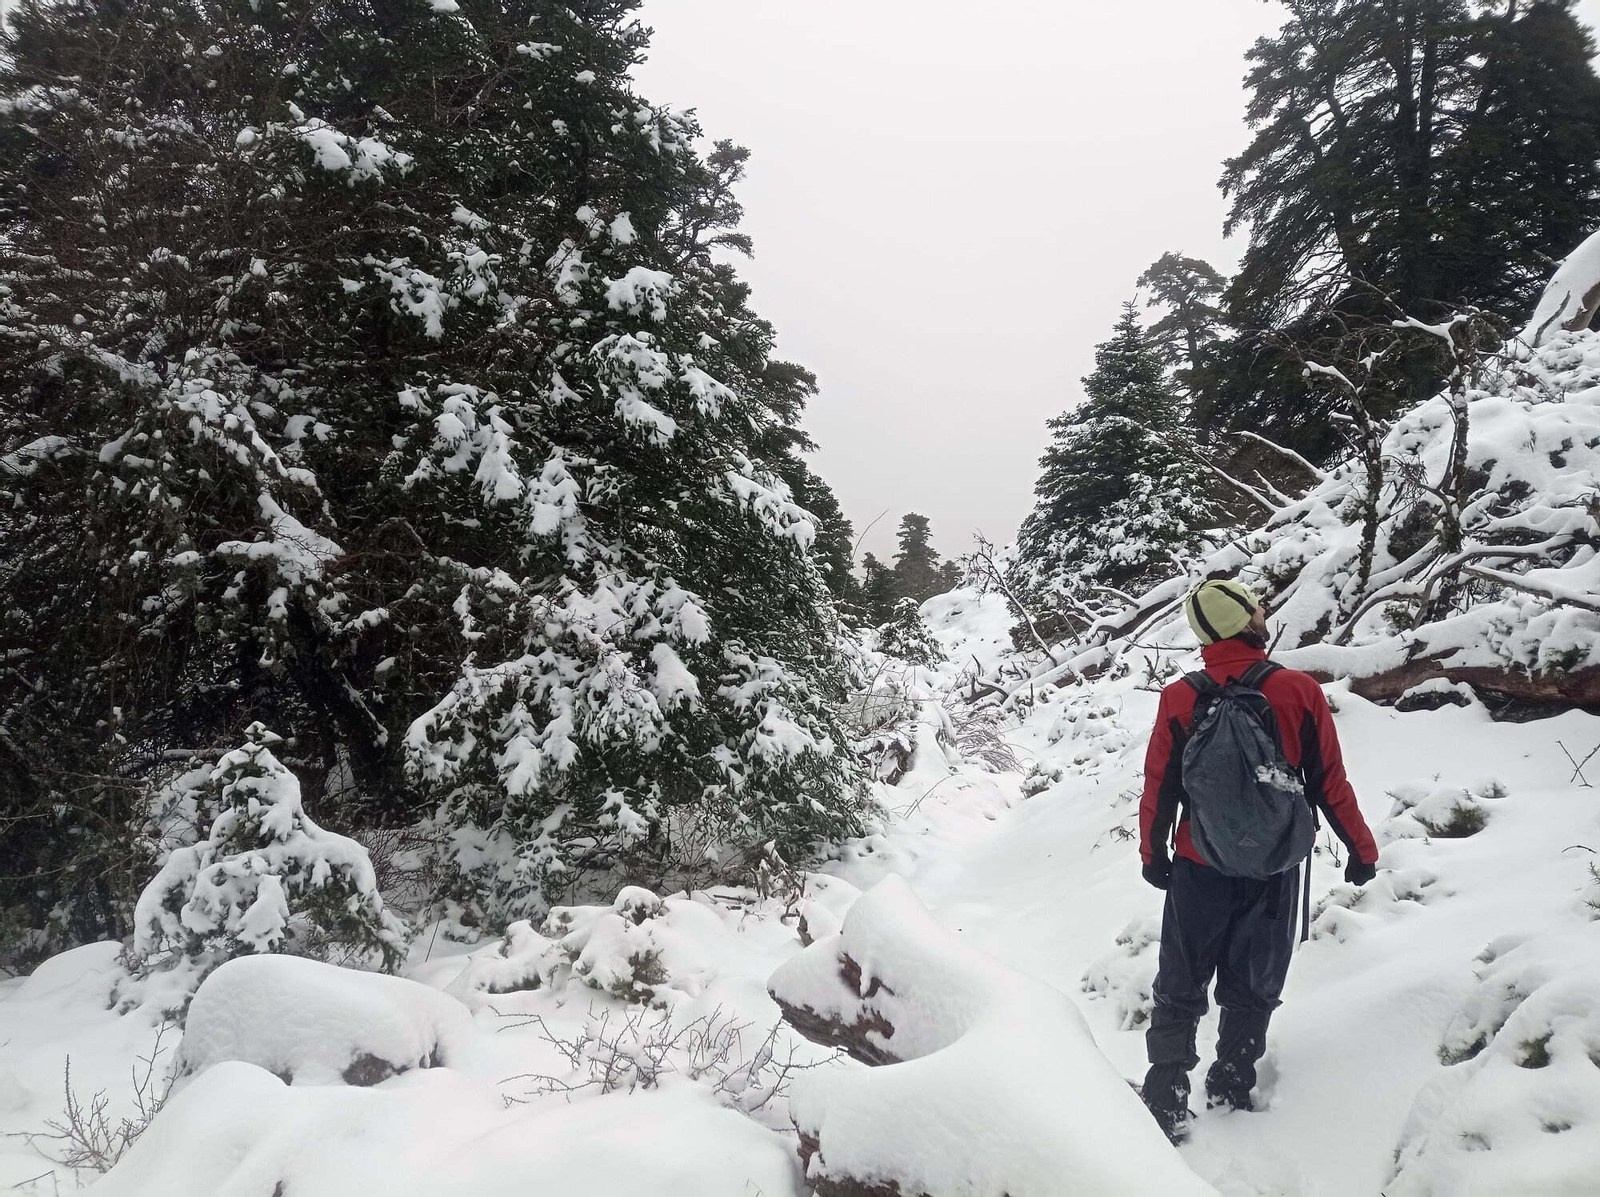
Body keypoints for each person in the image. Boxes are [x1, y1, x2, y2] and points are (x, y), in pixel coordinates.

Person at [1137, 578, 1379, 1144]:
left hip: (1199, 863)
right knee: (1254, 981)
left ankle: (1167, 1093)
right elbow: (1328, 783)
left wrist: (1154, 855)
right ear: (1248, 620)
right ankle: (1231, 1082)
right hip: (1273, 867)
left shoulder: (1180, 697)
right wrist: (1360, 850)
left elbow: (1160, 786)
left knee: (1180, 980)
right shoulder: (1297, 690)